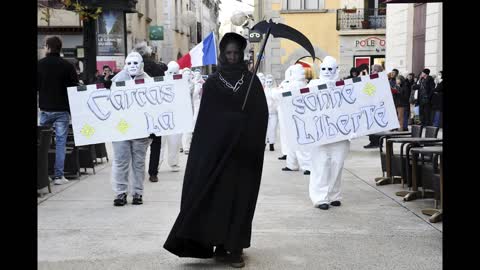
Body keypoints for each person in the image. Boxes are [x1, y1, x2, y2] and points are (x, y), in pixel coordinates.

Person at [164, 32, 268, 268]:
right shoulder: (212, 83)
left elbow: (261, 116)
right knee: (218, 200)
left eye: (236, 53)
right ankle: (220, 244)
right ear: (223, 54)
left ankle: (235, 248)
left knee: (240, 199)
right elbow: (206, 121)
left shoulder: (252, 82)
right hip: (218, 154)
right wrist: (229, 123)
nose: (232, 57)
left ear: (241, 55)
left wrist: (247, 127)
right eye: (228, 53)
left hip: (243, 154)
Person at [306, 56, 351, 210]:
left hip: (339, 133)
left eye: (330, 69)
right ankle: (320, 198)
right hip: (319, 133)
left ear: (336, 70)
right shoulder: (313, 85)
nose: (326, 72)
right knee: (320, 165)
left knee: (337, 165)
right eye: (324, 68)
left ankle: (334, 195)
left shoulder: (344, 86)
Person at [110, 51, 152, 206]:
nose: (132, 66)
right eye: (129, 63)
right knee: (121, 161)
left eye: (135, 63)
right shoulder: (117, 80)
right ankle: (120, 193)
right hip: (121, 128)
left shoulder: (149, 81)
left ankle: (137, 193)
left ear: (141, 64)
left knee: (139, 162)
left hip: (141, 129)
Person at [38, 36, 79, 185]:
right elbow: (74, 87)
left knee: (44, 144)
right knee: (61, 143)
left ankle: (44, 175)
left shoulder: (40, 65)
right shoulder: (67, 66)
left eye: (44, 46)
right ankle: (58, 176)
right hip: (62, 110)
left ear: (48, 47)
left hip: (45, 109)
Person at [132, 41, 167, 183]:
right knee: (156, 142)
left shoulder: (133, 68)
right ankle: (153, 173)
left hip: (138, 111)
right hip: (155, 110)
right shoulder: (157, 68)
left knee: (138, 144)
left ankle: (138, 171)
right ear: (148, 53)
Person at [281, 64, 312, 175]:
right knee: (292, 143)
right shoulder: (304, 83)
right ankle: (292, 164)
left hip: (296, 117)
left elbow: (280, 95)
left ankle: (307, 166)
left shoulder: (293, 85)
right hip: (296, 116)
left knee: (299, 145)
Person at [158, 61, 183, 172]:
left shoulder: (182, 84)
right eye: (170, 72)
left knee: (175, 143)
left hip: (176, 118)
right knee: (159, 144)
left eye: (175, 72)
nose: (173, 74)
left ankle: (174, 163)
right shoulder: (160, 82)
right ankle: (156, 164)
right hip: (162, 118)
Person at [363, 64, 384, 148]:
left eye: (373, 70)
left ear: (378, 71)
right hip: (371, 105)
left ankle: (377, 142)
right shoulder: (372, 79)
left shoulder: (380, 80)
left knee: (377, 125)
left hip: (377, 106)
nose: (371, 72)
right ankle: (373, 141)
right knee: (371, 125)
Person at [264, 74, 278, 151]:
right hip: (265, 113)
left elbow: (277, 100)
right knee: (265, 129)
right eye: (267, 82)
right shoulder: (263, 90)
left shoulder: (275, 90)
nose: (269, 83)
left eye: (270, 82)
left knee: (273, 128)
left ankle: (271, 144)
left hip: (273, 113)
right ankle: (264, 143)